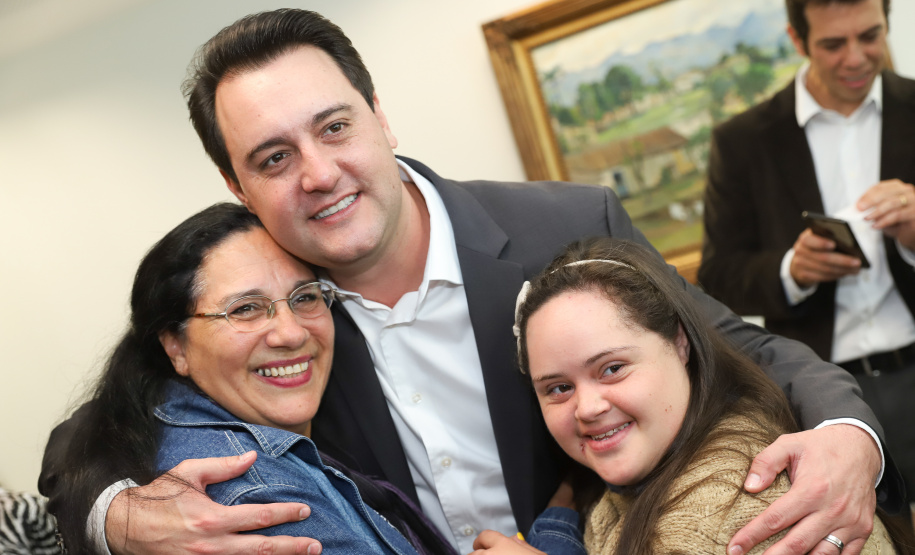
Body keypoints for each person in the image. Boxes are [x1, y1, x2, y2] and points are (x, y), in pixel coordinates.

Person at [39, 8, 901, 555]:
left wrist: (850, 437)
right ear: (238, 187)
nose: (318, 173)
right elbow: (91, 430)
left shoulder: (566, 224)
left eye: (333, 127)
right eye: (273, 157)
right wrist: (114, 514)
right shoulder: (275, 321)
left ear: (379, 116)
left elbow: (738, 347)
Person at [51, 202, 457, 555]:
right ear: (175, 346)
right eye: (245, 309)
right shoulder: (254, 498)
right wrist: (113, 517)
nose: (291, 333)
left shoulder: (176, 409)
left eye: (304, 297)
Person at [472, 237, 901, 555]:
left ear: (680, 343)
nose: (587, 408)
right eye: (559, 388)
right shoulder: (648, 472)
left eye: (612, 368)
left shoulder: (727, 510)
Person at [699, 0, 915, 510]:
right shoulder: (742, 141)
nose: (857, 57)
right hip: (824, 396)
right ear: (797, 40)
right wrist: (790, 272)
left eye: (870, 36)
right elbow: (718, 274)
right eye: (833, 44)